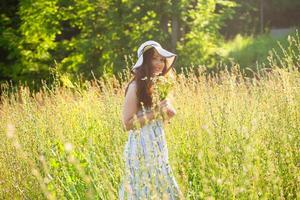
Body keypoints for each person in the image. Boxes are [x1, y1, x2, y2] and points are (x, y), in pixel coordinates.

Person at [118, 40, 184, 199]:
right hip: (140, 149)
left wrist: (167, 113)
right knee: (142, 192)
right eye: (154, 58)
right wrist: (155, 112)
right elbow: (127, 124)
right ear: (145, 61)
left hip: (158, 146)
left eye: (162, 60)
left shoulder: (158, 85)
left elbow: (159, 118)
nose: (159, 63)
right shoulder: (135, 87)